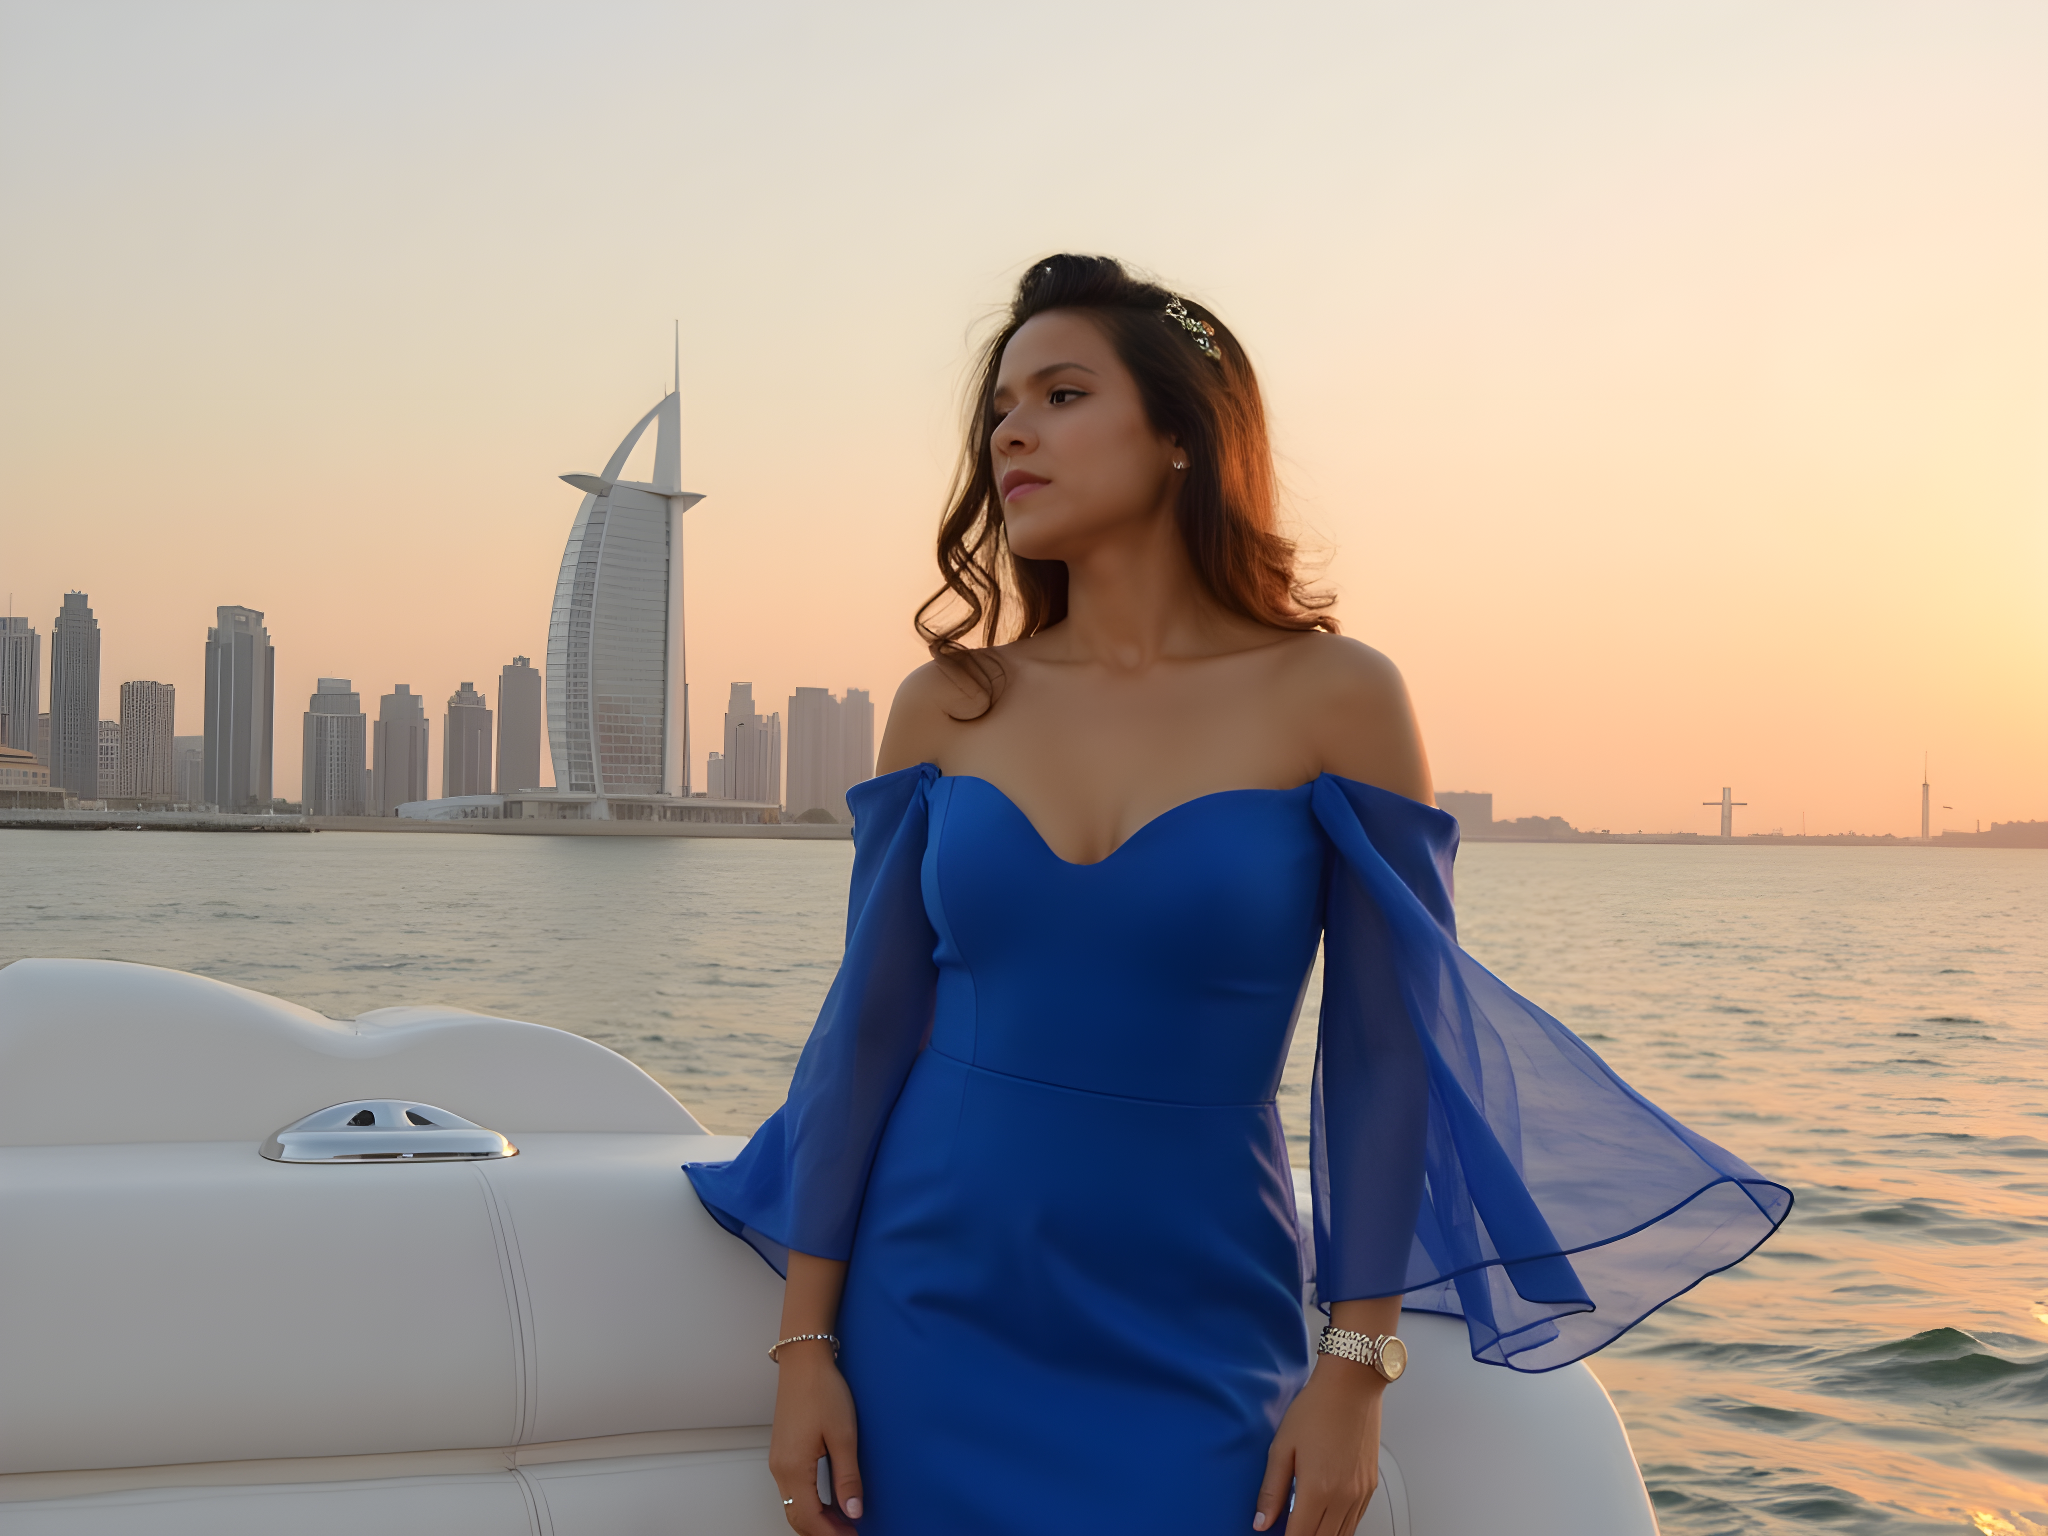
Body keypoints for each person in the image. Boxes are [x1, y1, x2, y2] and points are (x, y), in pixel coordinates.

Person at [687, 254, 1789, 1535]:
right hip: (930, 1296)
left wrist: (1354, 1367)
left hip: (1199, 1298)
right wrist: (804, 1349)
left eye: (1057, 394)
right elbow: (864, 1033)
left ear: (1176, 437)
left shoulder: (1337, 697)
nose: (1010, 434)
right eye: (998, 409)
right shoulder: (946, 705)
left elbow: (1387, 1053)